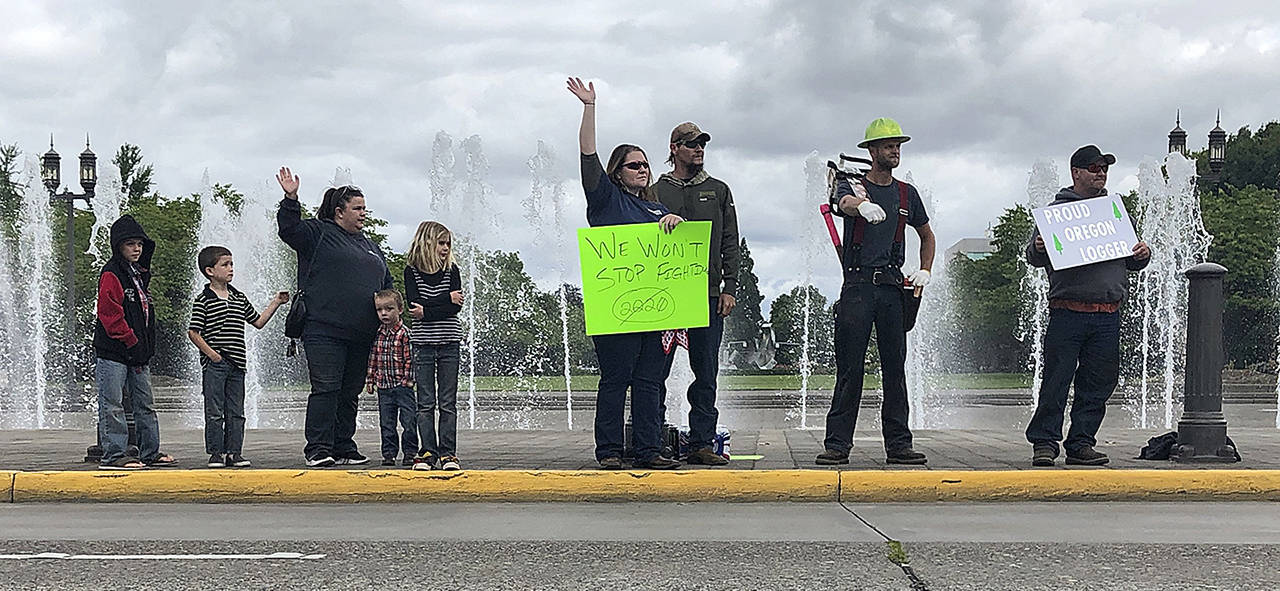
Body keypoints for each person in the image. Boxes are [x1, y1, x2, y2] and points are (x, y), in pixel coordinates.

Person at [567, 76, 685, 470]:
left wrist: (674, 221)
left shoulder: (656, 209)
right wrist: (589, 107)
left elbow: (676, 260)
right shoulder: (605, 201)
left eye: (646, 165)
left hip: (656, 312)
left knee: (651, 381)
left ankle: (650, 449)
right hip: (616, 310)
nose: (643, 169)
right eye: (634, 165)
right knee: (616, 379)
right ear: (617, 172)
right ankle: (610, 450)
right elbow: (588, 155)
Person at [817, 117, 936, 466]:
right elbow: (844, 204)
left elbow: (927, 235)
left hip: (890, 288)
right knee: (850, 369)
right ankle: (837, 445)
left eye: (898, 145)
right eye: (888, 145)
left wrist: (925, 268)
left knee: (895, 369)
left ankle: (899, 445)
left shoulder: (906, 193)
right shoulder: (852, 185)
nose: (895, 150)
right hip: (857, 286)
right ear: (871, 151)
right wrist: (862, 207)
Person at [1025, 145, 1151, 467]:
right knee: (1057, 380)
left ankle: (1081, 442)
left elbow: (1128, 260)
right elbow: (1035, 256)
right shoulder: (1057, 212)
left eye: (1104, 168)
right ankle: (1045, 442)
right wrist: (1038, 246)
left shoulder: (1114, 212)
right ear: (1076, 173)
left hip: (1107, 314)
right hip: (1068, 311)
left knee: (1097, 384)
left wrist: (1141, 255)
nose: (1101, 173)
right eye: (1094, 168)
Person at [276, 168, 395, 468]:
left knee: (349, 391)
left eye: (365, 208)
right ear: (339, 212)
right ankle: (318, 448)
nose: (363, 214)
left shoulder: (369, 245)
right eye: (358, 208)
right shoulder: (318, 233)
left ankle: (343, 445)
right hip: (324, 329)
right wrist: (291, 198)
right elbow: (289, 230)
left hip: (361, 332)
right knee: (327, 387)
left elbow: (386, 283)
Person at [652, 121, 740, 466]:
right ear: (674, 148)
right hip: (664, 299)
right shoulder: (655, 190)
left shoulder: (718, 190)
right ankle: (654, 438)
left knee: (705, 371)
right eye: (691, 144)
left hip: (707, 296)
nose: (699, 149)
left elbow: (731, 243)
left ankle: (702, 442)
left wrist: (729, 288)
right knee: (654, 371)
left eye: (702, 144)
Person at [187, 245, 290, 469]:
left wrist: (276, 302)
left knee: (236, 411)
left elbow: (258, 322)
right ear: (210, 271)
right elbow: (193, 332)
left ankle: (234, 452)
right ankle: (216, 453)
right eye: (225, 264)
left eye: (231, 264)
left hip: (237, 363)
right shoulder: (203, 299)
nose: (231, 268)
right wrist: (212, 355)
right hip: (216, 363)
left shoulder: (238, 297)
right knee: (214, 410)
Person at [93, 215, 177, 470]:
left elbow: (145, 315)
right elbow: (109, 315)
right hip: (114, 352)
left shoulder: (139, 275)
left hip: (138, 352)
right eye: (130, 244)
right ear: (119, 246)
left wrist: (144, 346)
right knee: (113, 404)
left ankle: (150, 451)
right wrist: (131, 340)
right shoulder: (111, 274)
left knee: (145, 404)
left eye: (139, 244)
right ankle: (114, 455)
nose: (137, 249)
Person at [403, 221, 464, 471]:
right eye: (441, 243)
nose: (445, 248)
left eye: (448, 243)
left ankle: (448, 453)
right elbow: (413, 307)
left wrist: (428, 309)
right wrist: (443, 300)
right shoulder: (411, 271)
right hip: (423, 344)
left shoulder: (453, 270)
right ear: (427, 242)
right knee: (425, 402)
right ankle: (428, 451)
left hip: (449, 341)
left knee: (447, 402)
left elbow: (456, 306)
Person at [366, 289, 418, 468]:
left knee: (409, 421)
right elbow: (373, 357)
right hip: (384, 386)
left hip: (402, 385)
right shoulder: (378, 333)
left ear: (400, 310)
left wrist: (408, 380)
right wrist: (370, 379)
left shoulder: (405, 334)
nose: (384, 314)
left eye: (389, 309)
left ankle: (410, 452)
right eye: (380, 310)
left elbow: (410, 359)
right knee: (387, 423)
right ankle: (389, 453)